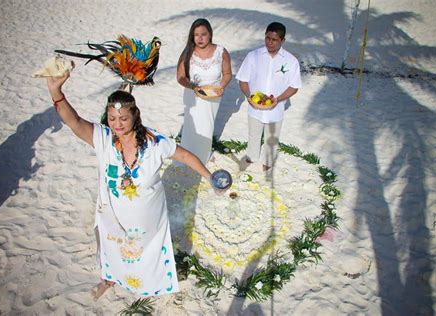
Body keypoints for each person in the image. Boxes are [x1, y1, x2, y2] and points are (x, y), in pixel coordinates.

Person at [46, 72, 213, 300]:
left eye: (123, 118)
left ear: (135, 115)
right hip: (113, 215)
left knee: (146, 255)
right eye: (112, 118)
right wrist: (56, 92)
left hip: (148, 219)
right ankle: (110, 278)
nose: (117, 124)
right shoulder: (104, 138)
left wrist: (210, 177)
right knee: (114, 248)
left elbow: (185, 156)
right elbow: (74, 122)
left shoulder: (155, 142)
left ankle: (147, 285)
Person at [236, 22, 301, 171]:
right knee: (253, 134)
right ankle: (252, 157)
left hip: (276, 108)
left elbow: (294, 87)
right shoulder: (253, 56)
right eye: (267, 38)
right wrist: (249, 96)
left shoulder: (291, 61)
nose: (269, 43)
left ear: (282, 41)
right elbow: (243, 79)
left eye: (274, 40)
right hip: (255, 106)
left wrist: (277, 99)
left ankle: (268, 162)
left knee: (272, 138)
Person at [177, 18, 232, 164]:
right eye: (196, 35)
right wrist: (193, 87)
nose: (200, 38)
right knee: (191, 125)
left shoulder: (221, 51)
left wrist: (221, 86)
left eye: (203, 34)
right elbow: (181, 77)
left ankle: (202, 156)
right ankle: (188, 154)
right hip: (192, 95)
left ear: (210, 34)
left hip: (213, 95)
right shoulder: (188, 52)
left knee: (207, 125)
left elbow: (227, 74)